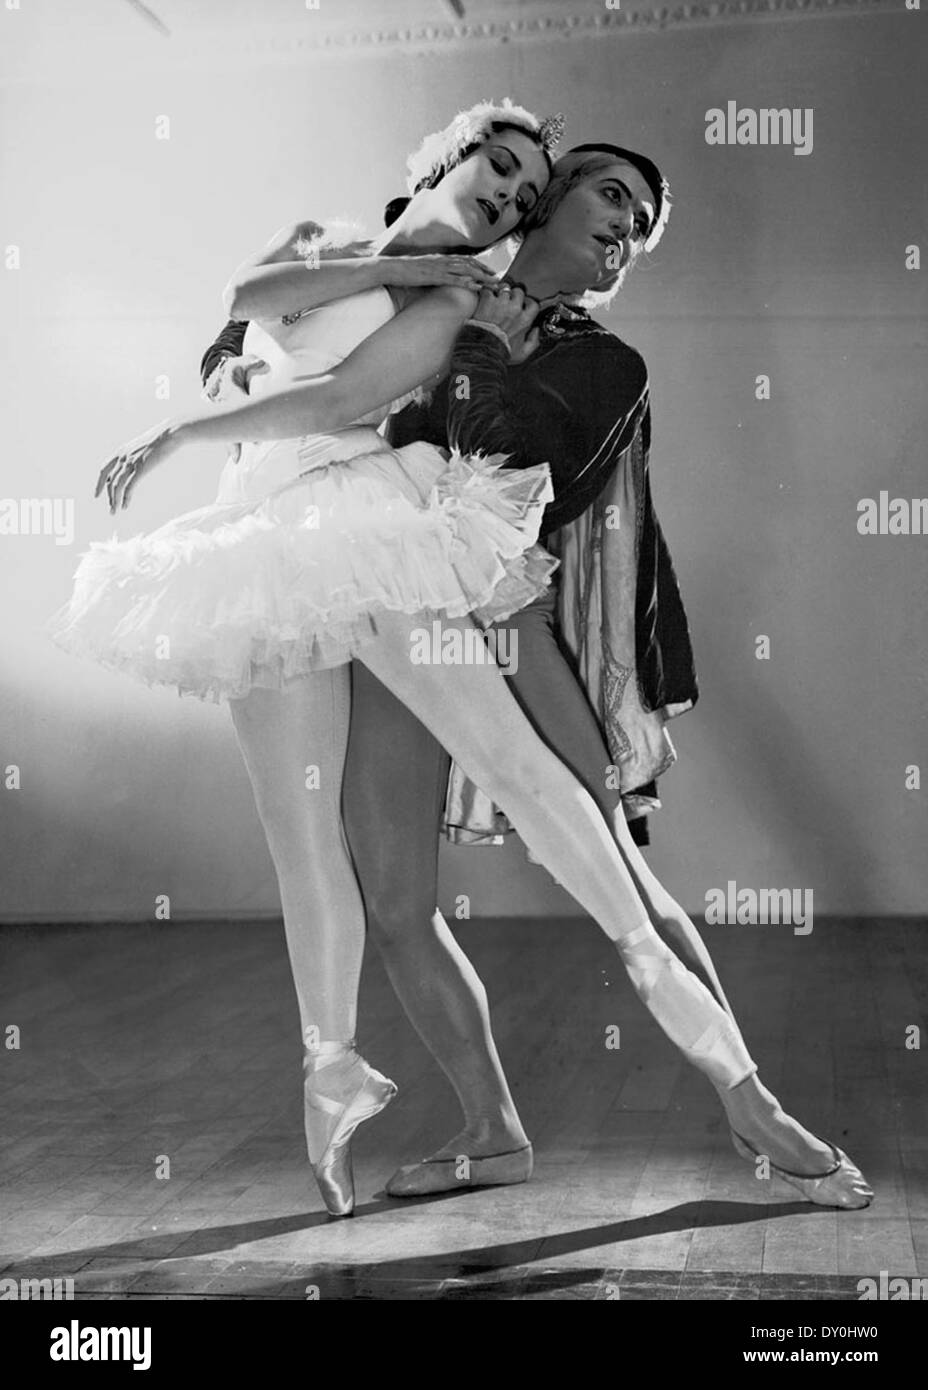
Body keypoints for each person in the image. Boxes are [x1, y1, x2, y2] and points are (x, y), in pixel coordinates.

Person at [50, 122, 873, 1218]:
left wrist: (460, 349)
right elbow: (276, 320)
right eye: (607, 198)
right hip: (345, 569)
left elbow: (515, 466)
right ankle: (490, 1130)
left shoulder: (591, 352)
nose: (624, 232)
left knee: (603, 855)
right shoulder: (413, 269)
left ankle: (746, 1096)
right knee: (387, 889)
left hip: (504, 615)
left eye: (640, 228)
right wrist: (253, 359)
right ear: (534, 198)